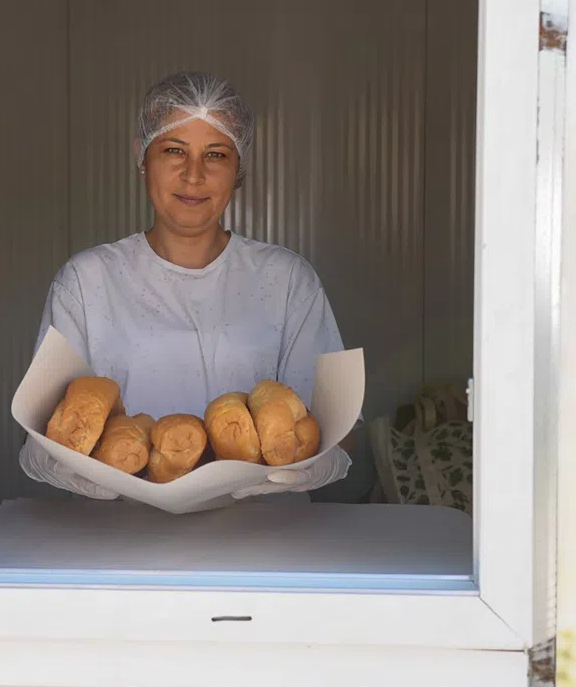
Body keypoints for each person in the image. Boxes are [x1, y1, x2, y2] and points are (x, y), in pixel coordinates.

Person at [19, 70, 352, 501]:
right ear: (143, 158)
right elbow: (46, 427)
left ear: (239, 169)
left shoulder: (287, 279)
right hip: (115, 536)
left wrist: (316, 464)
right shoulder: (86, 280)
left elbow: (334, 428)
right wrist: (53, 462)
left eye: (216, 155)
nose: (193, 174)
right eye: (174, 150)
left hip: (263, 536)